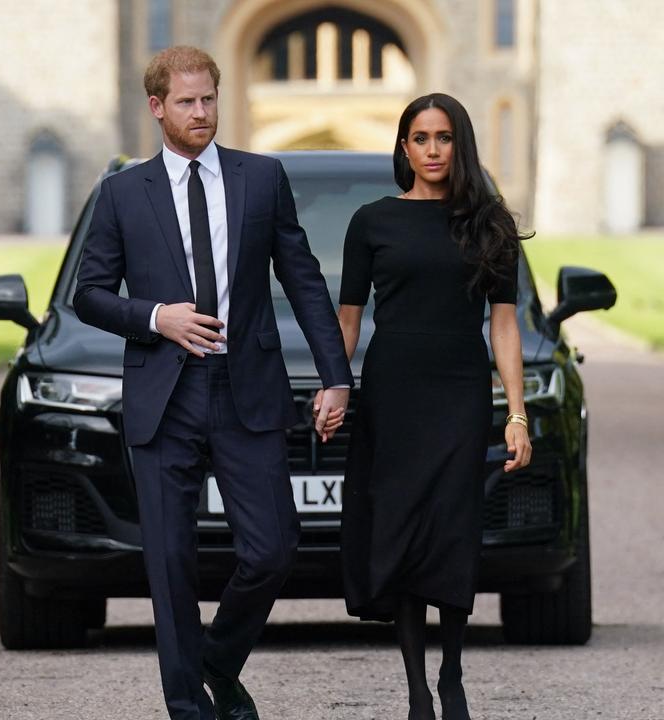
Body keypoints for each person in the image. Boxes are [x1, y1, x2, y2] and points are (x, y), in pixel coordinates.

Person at [74, 46, 352, 720]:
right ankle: (186, 706)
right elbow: (88, 294)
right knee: (169, 566)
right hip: (162, 397)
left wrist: (335, 376)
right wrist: (155, 317)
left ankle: (218, 663)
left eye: (209, 100)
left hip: (245, 388)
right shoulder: (120, 193)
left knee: (273, 547)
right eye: (187, 102)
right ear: (157, 107)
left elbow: (304, 279)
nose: (201, 113)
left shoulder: (261, 179)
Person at [334, 92, 533, 720]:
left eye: (443, 138)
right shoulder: (372, 221)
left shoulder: (490, 223)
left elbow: (504, 326)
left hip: (460, 391)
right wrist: (335, 385)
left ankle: (452, 673)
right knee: (401, 529)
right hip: (394, 392)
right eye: (420, 138)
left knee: (451, 528)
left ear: (460, 144)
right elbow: (348, 317)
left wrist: (516, 413)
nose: (432, 150)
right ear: (404, 148)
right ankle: (418, 690)